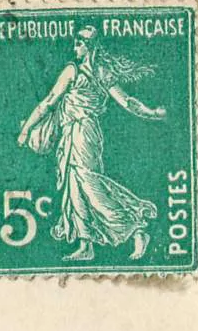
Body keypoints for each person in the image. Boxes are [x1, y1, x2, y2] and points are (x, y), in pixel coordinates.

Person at [17, 25, 167, 262]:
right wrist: (27, 129)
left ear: (89, 46)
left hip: (84, 133)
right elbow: (50, 103)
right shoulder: (87, 71)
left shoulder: (83, 71)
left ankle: (136, 228)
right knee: (74, 187)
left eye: (79, 43)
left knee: (89, 184)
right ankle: (85, 244)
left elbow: (125, 101)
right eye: (75, 42)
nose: (74, 47)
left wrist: (151, 113)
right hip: (72, 133)